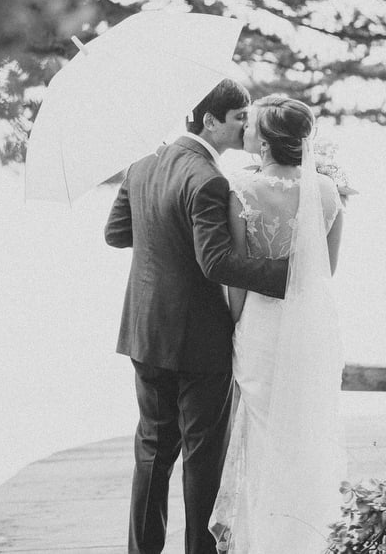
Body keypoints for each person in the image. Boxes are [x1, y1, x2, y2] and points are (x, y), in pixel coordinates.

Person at [104, 79, 289, 554]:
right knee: (203, 460)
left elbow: (117, 233)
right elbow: (217, 263)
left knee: (152, 451)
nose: (247, 124)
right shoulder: (208, 179)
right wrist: (288, 276)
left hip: (144, 333)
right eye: (239, 117)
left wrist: (162, 231)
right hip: (198, 340)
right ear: (210, 120)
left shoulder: (144, 164)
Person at [210, 94, 347, 554]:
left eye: (251, 126)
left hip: (262, 329)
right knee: (306, 434)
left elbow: (240, 278)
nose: (245, 130)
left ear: (266, 144)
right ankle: (313, 538)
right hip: (311, 329)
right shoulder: (327, 192)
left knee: (265, 438)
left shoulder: (242, 191)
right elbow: (325, 273)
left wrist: (234, 328)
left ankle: (268, 540)